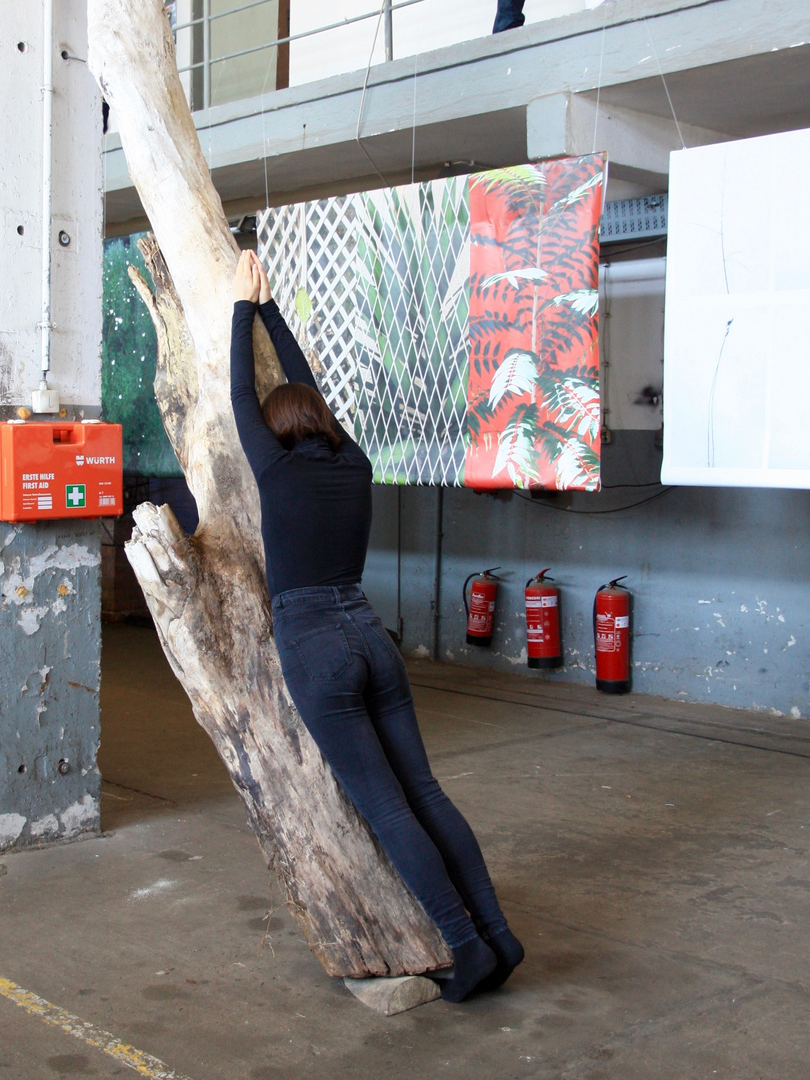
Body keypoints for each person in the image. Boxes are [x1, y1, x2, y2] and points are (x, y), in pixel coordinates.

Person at [230, 250, 524, 1002]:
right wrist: (268, 311)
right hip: (368, 631)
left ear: (272, 432)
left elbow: (242, 391)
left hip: (314, 644)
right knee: (424, 792)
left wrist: (240, 309)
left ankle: (467, 948)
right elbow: (311, 389)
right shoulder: (352, 461)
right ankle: (496, 932)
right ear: (323, 423)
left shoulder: (275, 468)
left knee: (388, 808)